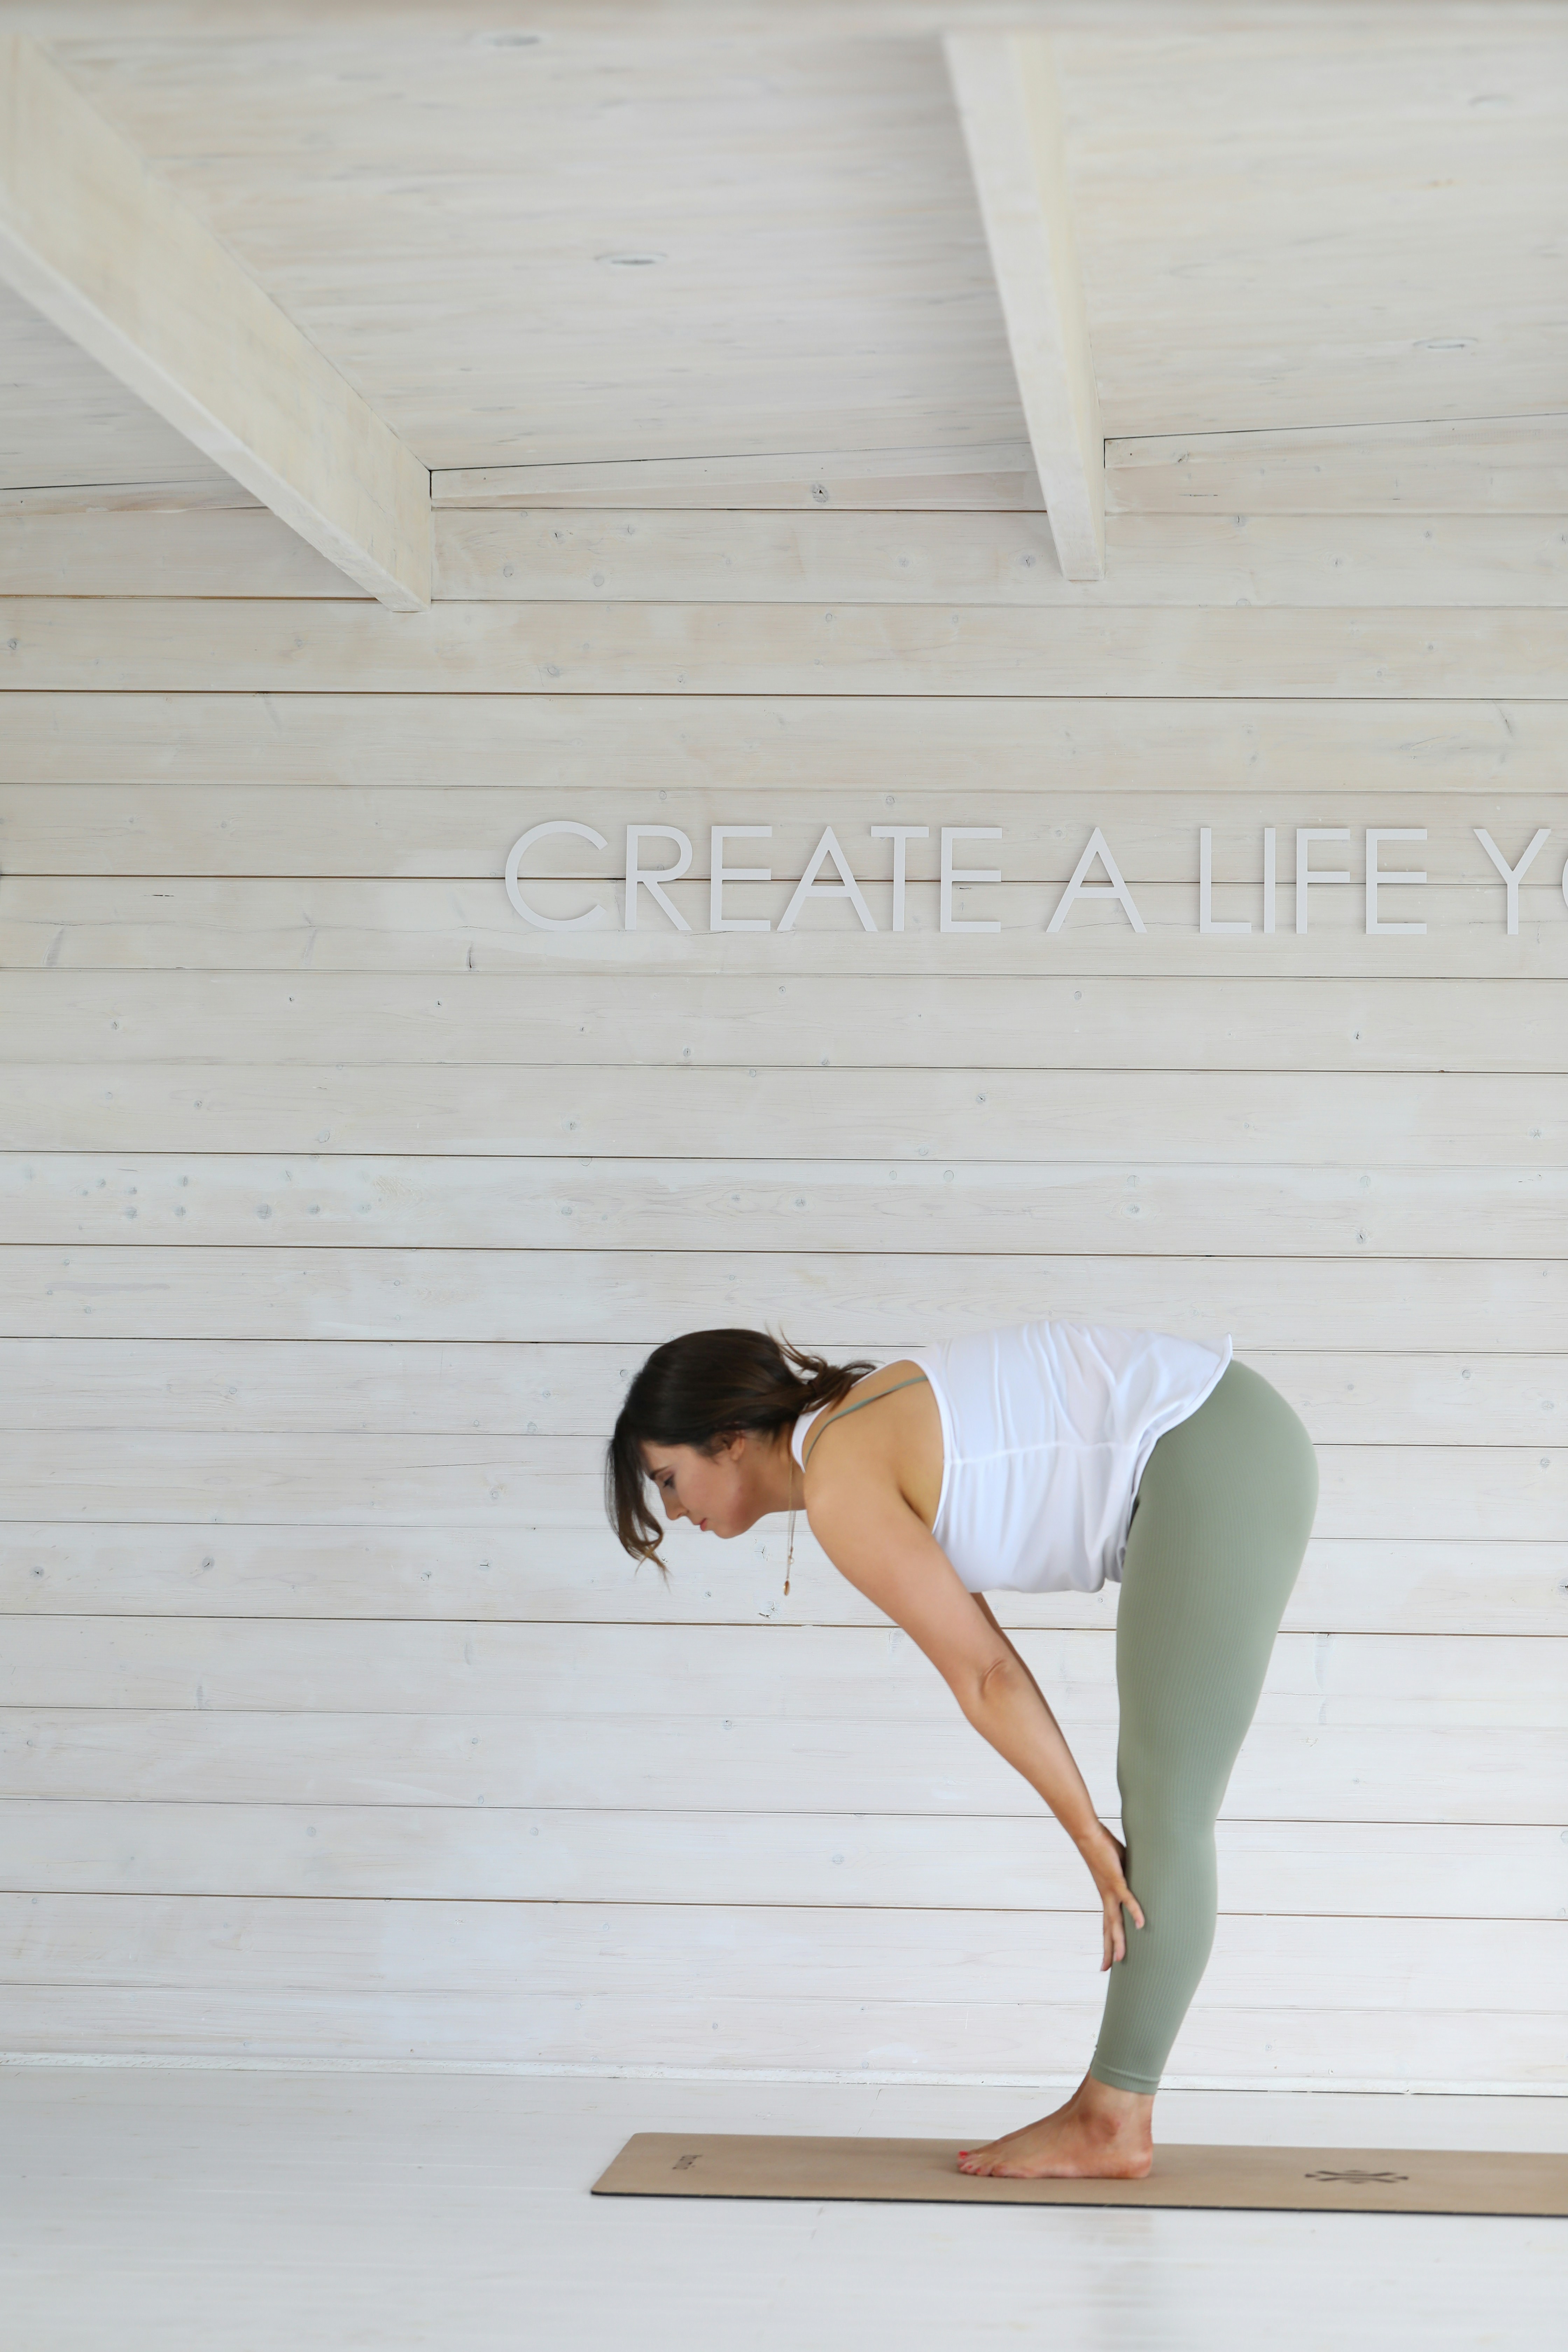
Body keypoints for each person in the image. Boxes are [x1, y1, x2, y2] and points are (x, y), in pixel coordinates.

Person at [606, 1318, 1319, 2180]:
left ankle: (1111, 2121)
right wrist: (1086, 1829)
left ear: (726, 1441)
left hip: (1209, 1449)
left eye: (671, 1480)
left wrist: (1090, 1841)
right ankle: (1111, 2113)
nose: (677, 1511)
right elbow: (992, 1663)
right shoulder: (851, 1430)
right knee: (1162, 1802)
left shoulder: (840, 1480)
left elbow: (987, 1679)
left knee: (1165, 1811)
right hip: (1219, 1441)